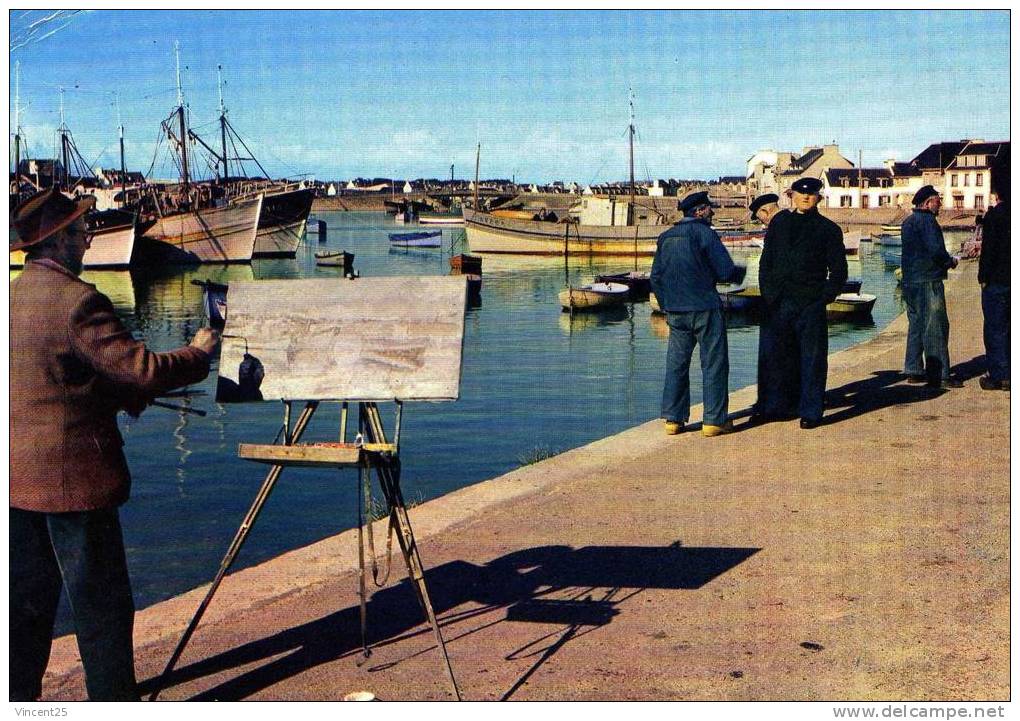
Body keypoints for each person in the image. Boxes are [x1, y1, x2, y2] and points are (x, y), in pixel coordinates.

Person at [10, 188, 220, 701]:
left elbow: (54, 378)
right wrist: (197, 353)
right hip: (77, 486)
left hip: (13, 482)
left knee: (25, 609)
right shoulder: (78, 301)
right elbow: (141, 369)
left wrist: (111, 395)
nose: (87, 237)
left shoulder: (11, 297)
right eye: (80, 230)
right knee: (101, 611)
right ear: (59, 240)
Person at [650, 190, 745, 437]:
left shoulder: (666, 237)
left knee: (676, 364)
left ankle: (673, 419)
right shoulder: (705, 234)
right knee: (713, 363)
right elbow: (725, 271)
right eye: (709, 208)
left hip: (676, 311)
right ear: (700, 211)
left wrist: (666, 305)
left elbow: (656, 278)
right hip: (705, 308)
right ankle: (714, 420)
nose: (712, 212)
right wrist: (740, 272)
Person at [757, 177, 848, 429]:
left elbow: (839, 272)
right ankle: (775, 407)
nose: (806, 198)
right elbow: (767, 261)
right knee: (775, 357)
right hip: (779, 301)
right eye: (801, 194)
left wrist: (823, 298)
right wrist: (768, 293)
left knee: (813, 358)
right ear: (791, 195)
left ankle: (811, 411)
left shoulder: (828, 229)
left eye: (812, 194)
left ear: (818, 197)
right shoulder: (780, 223)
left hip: (810, 302)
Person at [899, 185, 961, 389]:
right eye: (937, 200)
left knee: (916, 325)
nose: (941, 204)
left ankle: (914, 370)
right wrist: (950, 261)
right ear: (927, 203)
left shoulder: (908, 222)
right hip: (927, 281)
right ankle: (940, 375)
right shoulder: (928, 221)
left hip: (910, 281)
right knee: (936, 327)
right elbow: (936, 251)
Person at [978, 155, 1009, 391]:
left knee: (995, 327)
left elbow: (988, 252)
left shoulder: (995, 216)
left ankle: (1000, 374)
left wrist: (983, 278)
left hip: (997, 280)